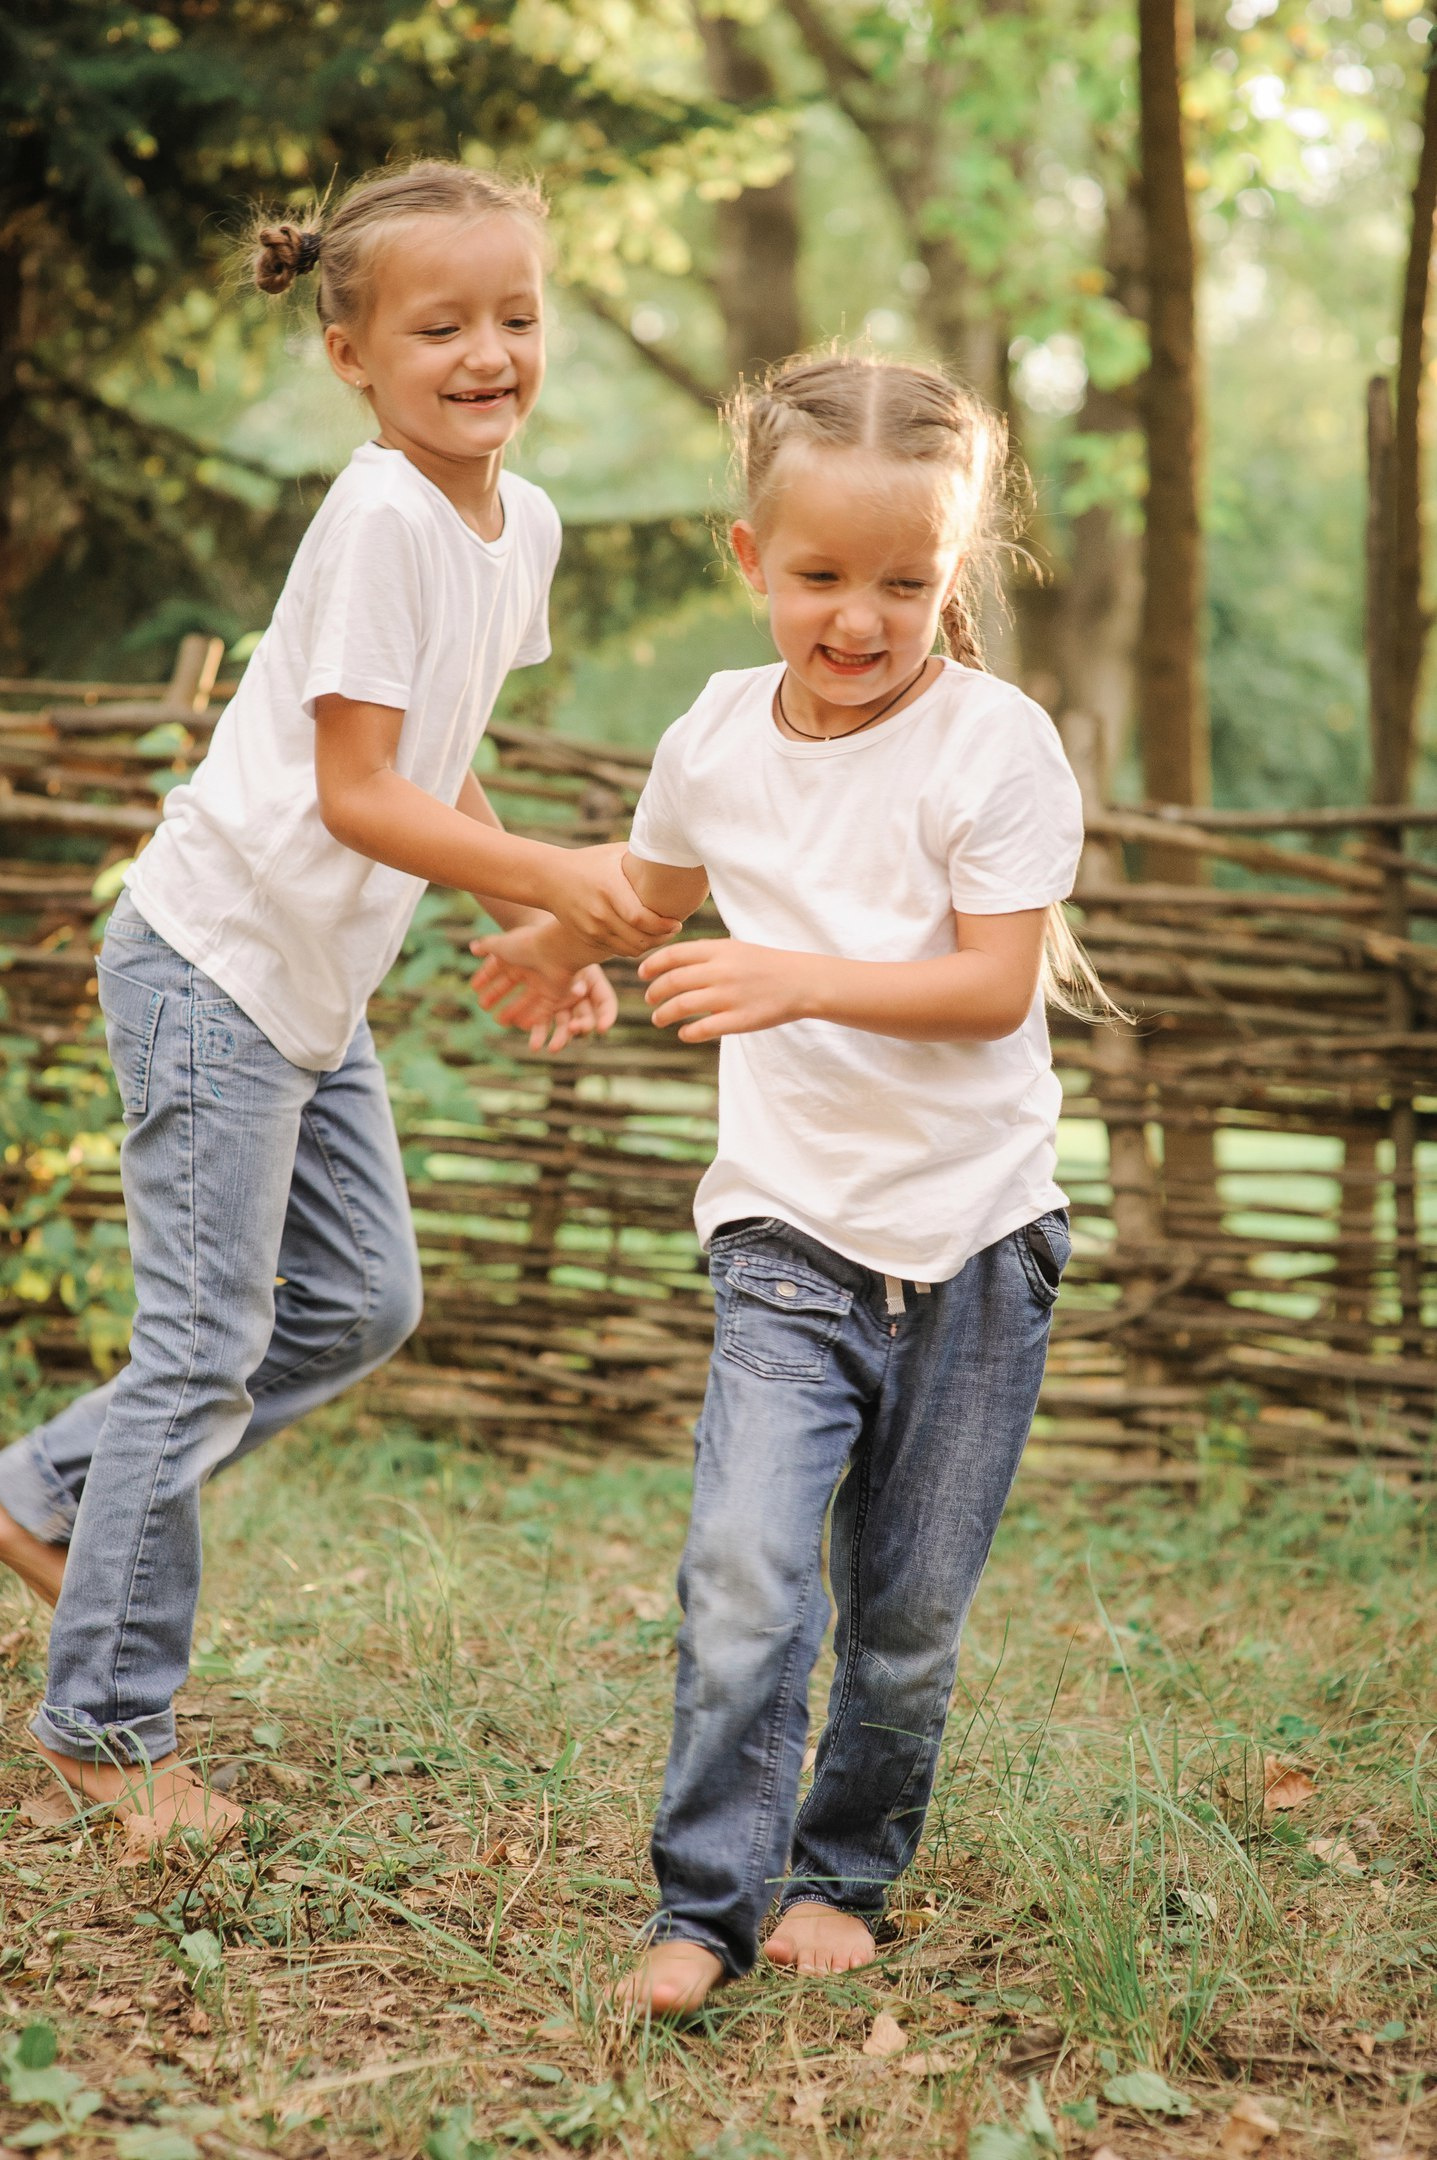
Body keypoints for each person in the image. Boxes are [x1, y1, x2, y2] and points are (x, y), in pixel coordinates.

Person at [0, 158, 676, 1844]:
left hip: (308, 989)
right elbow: (360, 794)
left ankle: (40, 1490)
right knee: (207, 1344)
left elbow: (445, 763)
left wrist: (540, 926)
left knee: (362, 1299)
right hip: (215, 963)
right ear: (351, 354)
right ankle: (101, 1725)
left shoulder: (521, 525)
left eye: (515, 317)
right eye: (437, 325)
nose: (486, 353)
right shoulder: (376, 514)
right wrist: (544, 882)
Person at [472, 350, 1100, 2014]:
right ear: (749, 560)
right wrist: (551, 936)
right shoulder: (714, 737)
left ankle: (845, 1873)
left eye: (905, 579)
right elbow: (653, 886)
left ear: (953, 571)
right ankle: (701, 1909)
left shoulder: (995, 744)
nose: (859, 617)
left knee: (896, 1622)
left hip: (975, 1249)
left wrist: (794, 974)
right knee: (748, 1581)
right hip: (784, 1236)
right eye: (820, 576)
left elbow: (990, 989)